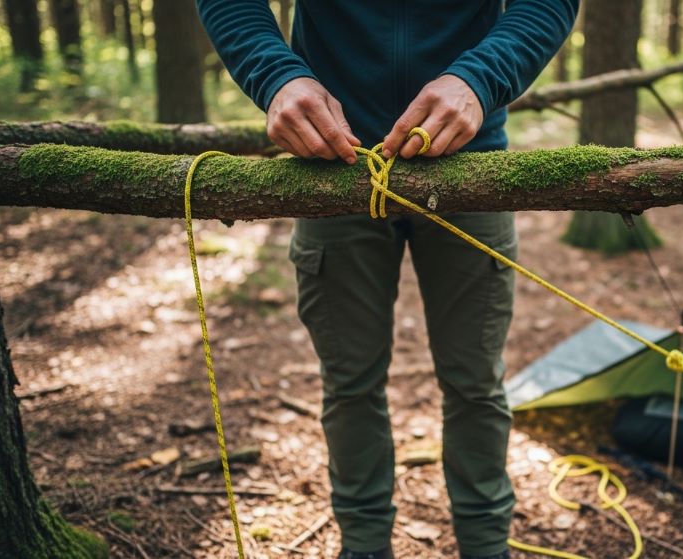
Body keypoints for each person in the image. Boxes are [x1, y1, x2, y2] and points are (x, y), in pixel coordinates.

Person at [196, 2, 577, 557]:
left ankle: (487, 546)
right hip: (335, 166)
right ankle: (364, 546)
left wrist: (478, 78)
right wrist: (277, 76)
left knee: (475, 383)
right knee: (350, 385)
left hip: (472, 170)